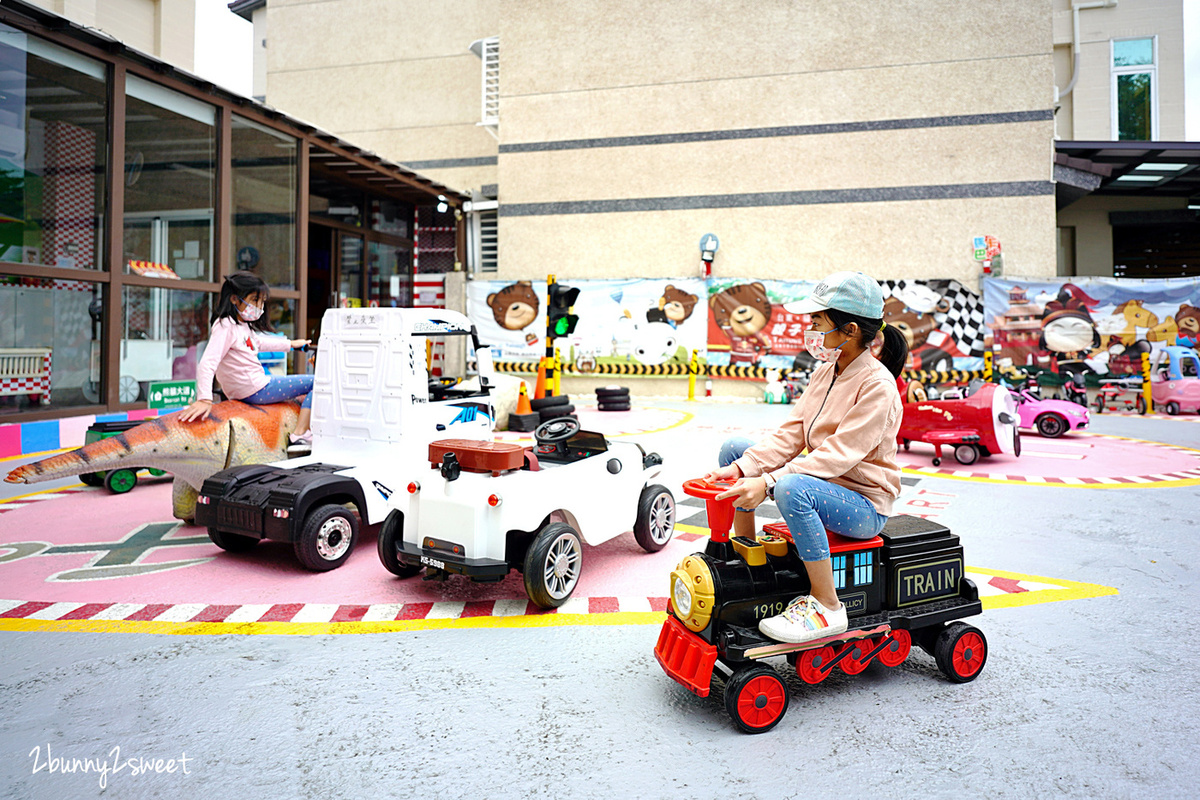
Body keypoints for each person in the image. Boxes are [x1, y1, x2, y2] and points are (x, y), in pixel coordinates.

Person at [704, 271, 909, 644]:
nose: (810, 329)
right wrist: (740, 468)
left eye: (816, 321)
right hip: (824, 485)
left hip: (864, 505)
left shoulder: (878, 386)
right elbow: (792, 433)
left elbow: (837, 456)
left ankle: (827, 605)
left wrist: (767, 482)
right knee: (736, 447)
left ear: (848, 330)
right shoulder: (825, 372)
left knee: (791, 487)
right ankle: (747, 558)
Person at [178, 273, 315, 447]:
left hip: (248, 388)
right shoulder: (226, 326)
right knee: (317, 383)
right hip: (256, 388)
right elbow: (207, 363)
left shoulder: (240, 326)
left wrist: (292, 344)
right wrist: (204, 399)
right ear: (235, 299)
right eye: (255, 300)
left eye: (262, 301)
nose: (259, 306)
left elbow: (259, 342)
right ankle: (300, 433)